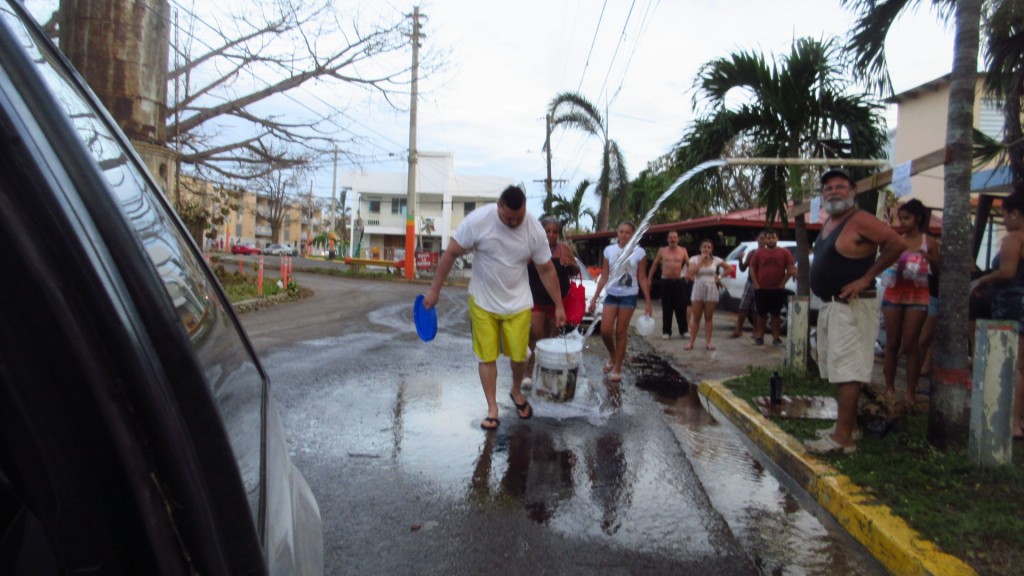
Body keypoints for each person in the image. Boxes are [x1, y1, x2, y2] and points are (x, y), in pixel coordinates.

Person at [423, 186, 566, 431]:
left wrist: (560, 306)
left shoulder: (533, 229)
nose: (513, 222)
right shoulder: (478, 221)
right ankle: (492, 408)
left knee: (520, 355)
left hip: (518, 302)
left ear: (525, 210)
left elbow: (546, 269)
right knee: (486, 356)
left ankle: (515, 391)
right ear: (499, 206)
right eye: (509, 218)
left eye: (518, 218)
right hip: (483, 301)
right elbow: (451, 254)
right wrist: (435, 290)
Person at [804, 169, 906, 455]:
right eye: (828, 188)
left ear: (853, 192)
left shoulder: (861, 219)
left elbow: (896, 244)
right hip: (832, 305)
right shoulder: (832, 222)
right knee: (838, 369)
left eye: (840, 186)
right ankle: (849, 427)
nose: (833, 191)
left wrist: (865, 278)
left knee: (848, 371)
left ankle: (843, 439)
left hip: (852, 307)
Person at [971, 190, 1024, 440]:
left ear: (1015, 213)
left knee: (1014, 365)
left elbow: (1007, 272)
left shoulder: (1014, 238)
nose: (1003, 220)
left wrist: (983, 279)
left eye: (1003, 214)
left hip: (1013, 304)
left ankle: (1013, 422)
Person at [880, 199, 940, 405]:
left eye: (907, 218)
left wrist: (928, 259)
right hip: (893, 294)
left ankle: (911, 393)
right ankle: (889, 388)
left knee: (911, 343)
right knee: (892, 343)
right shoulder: (897, 241)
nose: (902, 222)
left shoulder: (929, 242)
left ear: (918, 218)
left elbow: (940, 269)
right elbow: (884, 263)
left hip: (918, 296)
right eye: (901, 218)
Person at [587, 221, 653, 382]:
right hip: (611, 294)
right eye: (621, 231)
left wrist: (649, 303)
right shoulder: (609, 250)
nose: (624, 235)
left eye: (627, 232)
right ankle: (613, 355)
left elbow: (642, 278)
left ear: (633, 235)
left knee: (621, 332)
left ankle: (617, 368)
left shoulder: (639, 252)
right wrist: (595, 298)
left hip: (629, 296)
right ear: (617, 233)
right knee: (605, 331)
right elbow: (604, 275)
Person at [525, 216, 579, 383]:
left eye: (555, 232)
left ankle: (545, 373)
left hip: (557, 301)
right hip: (536, 297)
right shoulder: (533, 246)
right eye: (547, 231)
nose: (551, 234)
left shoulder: (564, 248)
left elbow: (576, 270)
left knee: (550, 338)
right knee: (535, 333)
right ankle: (528, 372)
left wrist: (570, 264)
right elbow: (521, 266)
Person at [685, 238, 734, 351]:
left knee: (709, 317)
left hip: (711, 288)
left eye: (709, 247)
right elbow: (691, 272)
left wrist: (719, 277)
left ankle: (708, 342)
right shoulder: (694, 259)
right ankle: (691, 342)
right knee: (696, 317)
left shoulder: (716, 260)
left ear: (712, 249)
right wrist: (701, 261)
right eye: (704, 247)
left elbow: (729, 268)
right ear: (700, 248)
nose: (706, 249)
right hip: (698, 287)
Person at [749, 230, 796, 346]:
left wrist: (782, 283)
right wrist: (756, 284)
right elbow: (752, 268)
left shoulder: (785, 252)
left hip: (777, 289)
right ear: (765, 240)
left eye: (773, 238)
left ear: (777, 239)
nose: (770, 240)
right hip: (761, 288)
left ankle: (776, 338)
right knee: (761, 314)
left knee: (776, 314)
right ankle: (759, 336)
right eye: (768, 238)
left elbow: (790, 269)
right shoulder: (759, 253)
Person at [647, 230, 690, 340]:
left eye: (674, 237)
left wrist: (691, 275)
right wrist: (649, 279)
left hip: (679, 281)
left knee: (681, 307)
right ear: (667, 239)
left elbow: (689, 265)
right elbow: (655, 264)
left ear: (678, 239)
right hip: (665, 281)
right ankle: (666, 331)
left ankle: (684, 330)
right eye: (670, 237)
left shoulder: (683, 250)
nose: (672, 239)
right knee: (667, 307)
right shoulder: (662, 250)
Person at [728, 232, 764, 339]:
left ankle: (756, 330)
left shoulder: (767, 253)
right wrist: (740, 260)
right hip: (750, 282)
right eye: (760, 238)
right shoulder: (752, 253)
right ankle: (738, 329)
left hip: (762, 283)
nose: (762, 240)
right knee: (743, 306)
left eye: (764, 238)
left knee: (757, 309)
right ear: (757, 239)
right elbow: (743, 268)